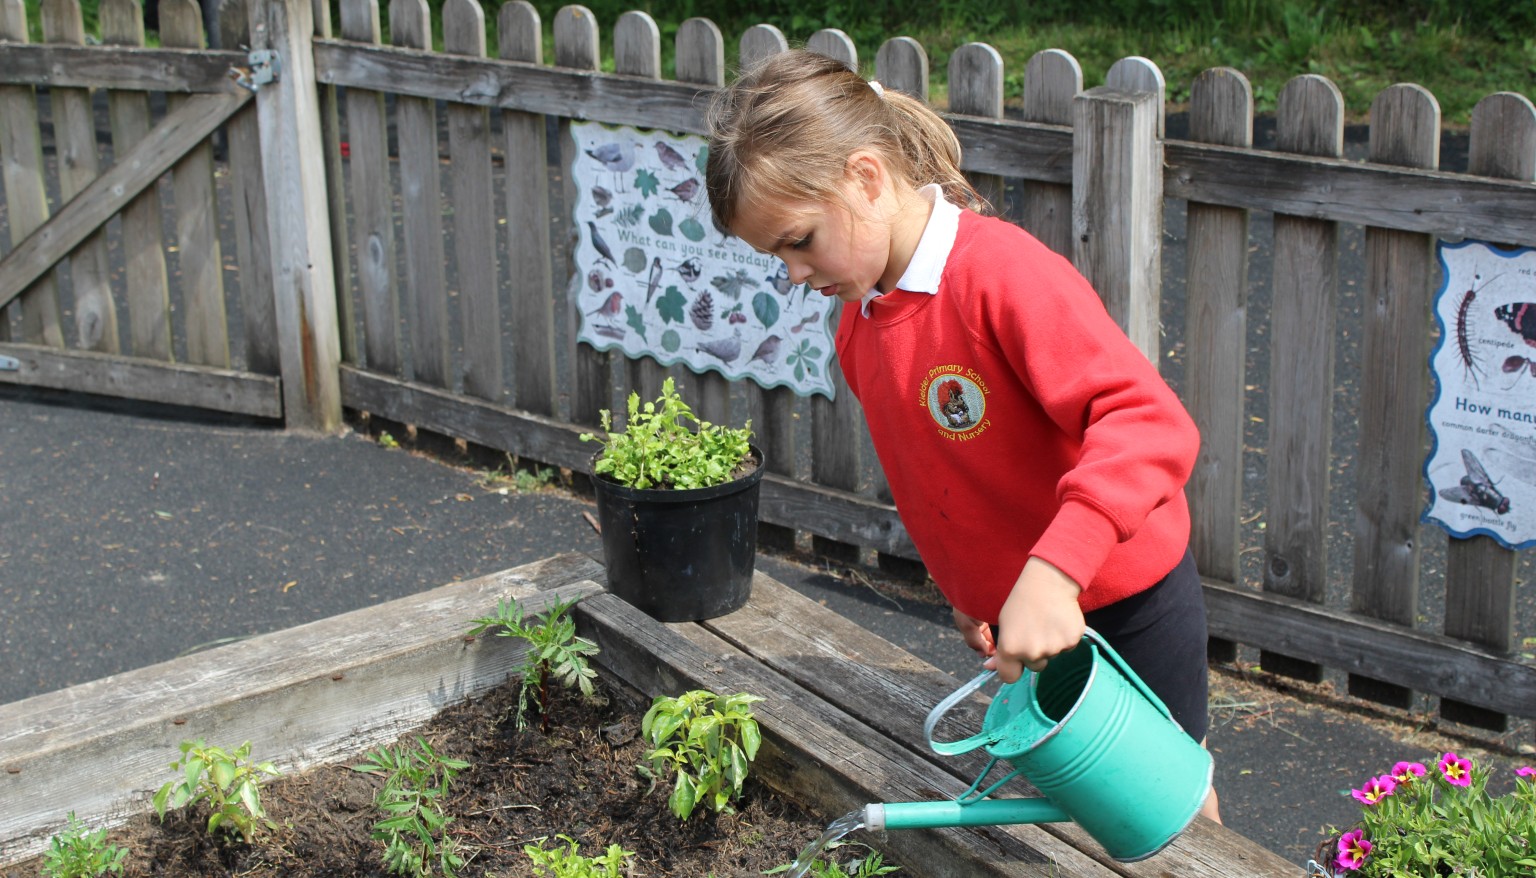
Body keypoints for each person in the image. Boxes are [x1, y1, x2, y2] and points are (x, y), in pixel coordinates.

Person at [704, 49, 1221, 823]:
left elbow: (1148, 423)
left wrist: (1052, 575)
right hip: (1024, 617)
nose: (793, 274)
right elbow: (944, 477)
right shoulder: (860, 315)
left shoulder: (1000, 275)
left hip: (1121, 601)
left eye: (799, 240)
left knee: (1163, 816)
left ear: (867, 177)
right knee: (1076, 815)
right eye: (775, 254)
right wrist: (971, 593)